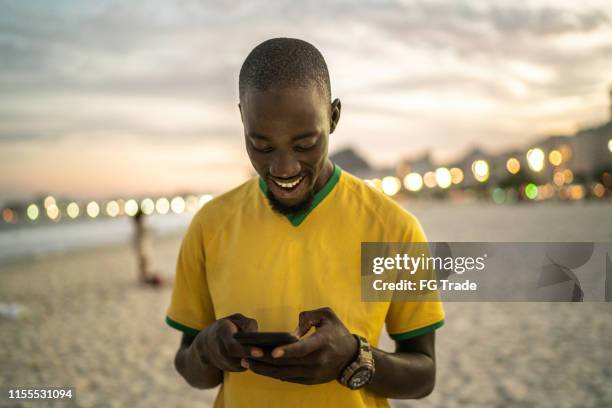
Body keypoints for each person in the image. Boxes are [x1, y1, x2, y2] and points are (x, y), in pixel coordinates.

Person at [166, 38, 445, 407]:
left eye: (305, 144)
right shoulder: (210, 226)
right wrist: (207, 349)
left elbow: (423, 375)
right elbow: (190, 367)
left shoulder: (394, 229)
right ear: (242, 118)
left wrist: (353, 358)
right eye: (262, 146)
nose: (283, 168)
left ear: (333, 117)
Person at [133, 209, 162, 287]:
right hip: (143, 246)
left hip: (141, 246)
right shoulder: (141, 225)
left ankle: (143, 277)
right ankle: (143, 278)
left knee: (143, 263)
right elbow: (147, 230)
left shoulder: (138, 225)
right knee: (144, 262)